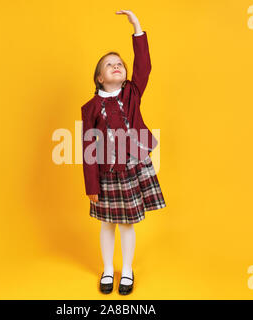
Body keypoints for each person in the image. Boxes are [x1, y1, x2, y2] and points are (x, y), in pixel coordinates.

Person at [81, 9, 166, 295]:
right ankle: (108, 270)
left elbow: (144, 66)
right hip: (106, 172)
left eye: (120, 63)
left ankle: (126, 271)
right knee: (107, 224)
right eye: (109, 65)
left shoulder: (132, 92)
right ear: (99, 78)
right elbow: (88, 149)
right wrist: (91, 185)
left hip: (132, 167)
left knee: (128, 223)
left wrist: (137, 28)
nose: (116, 66)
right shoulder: (90, 108)